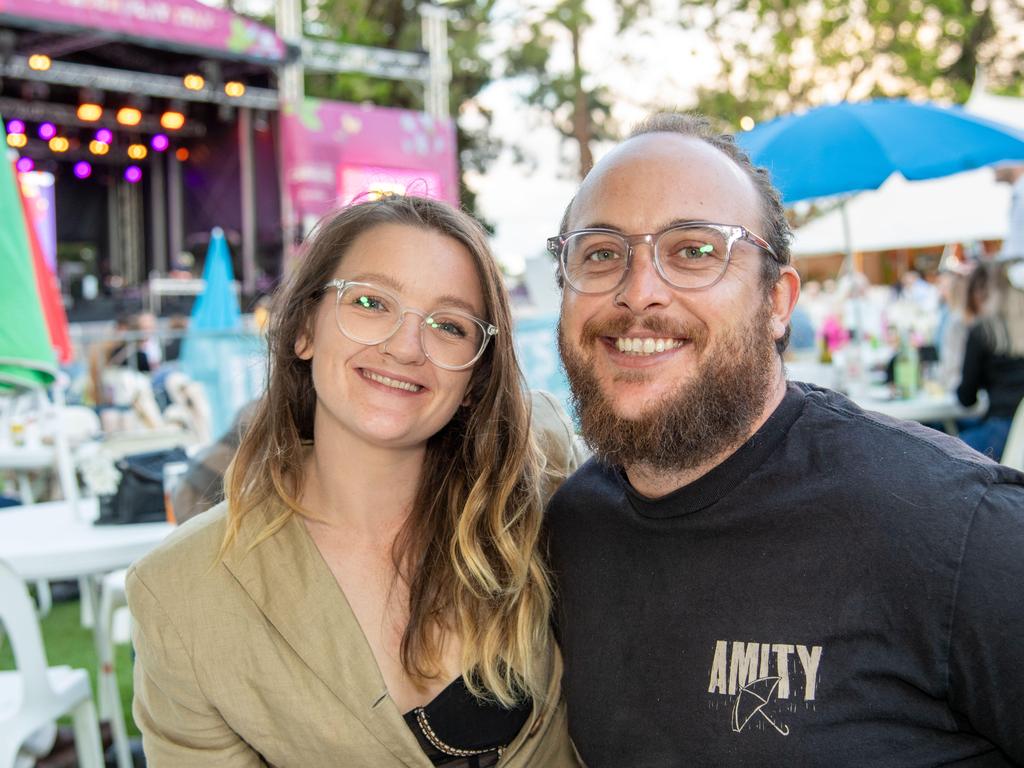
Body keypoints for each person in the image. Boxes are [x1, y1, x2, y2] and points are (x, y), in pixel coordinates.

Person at [544, 112, 1024, 766]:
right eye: (599, 252)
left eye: (694, 250)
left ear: (777, 303)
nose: (639, 292)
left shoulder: (956, 532)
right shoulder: (567, 530)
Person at [127, 196, 581, 767]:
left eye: (449, 325)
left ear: (475, 373)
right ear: (303, 330)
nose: (405, 346)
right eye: (370, 302)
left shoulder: (536, 485)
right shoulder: (181, 593)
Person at [957, 260, 1024, 459]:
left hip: (1002, 427)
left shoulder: (983, 331)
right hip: (1016, 431)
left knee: (942, 453)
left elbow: (966, 398)